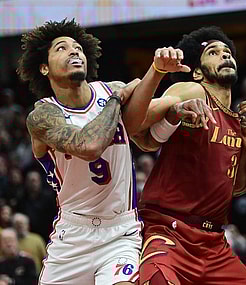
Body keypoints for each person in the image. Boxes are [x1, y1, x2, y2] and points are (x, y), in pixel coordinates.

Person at [17, 18, 188, 285]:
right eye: (61, 48)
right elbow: (90, 147)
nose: (74, 51)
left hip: (120, 230)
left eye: (77, 47)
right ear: (43, 67)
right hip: (72, 236)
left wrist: (159, 73)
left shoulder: (110, 91)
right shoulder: (43, 115)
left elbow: (143, 121)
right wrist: (117, 99)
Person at [126, 26, 246, 284]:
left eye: (228, 52)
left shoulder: (241, 126)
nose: (225, 55)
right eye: (214, 52)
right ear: (197, 72)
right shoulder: (193, 91)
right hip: (169, 231)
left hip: (214, 243)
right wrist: (171, 106)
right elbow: (134, 124)